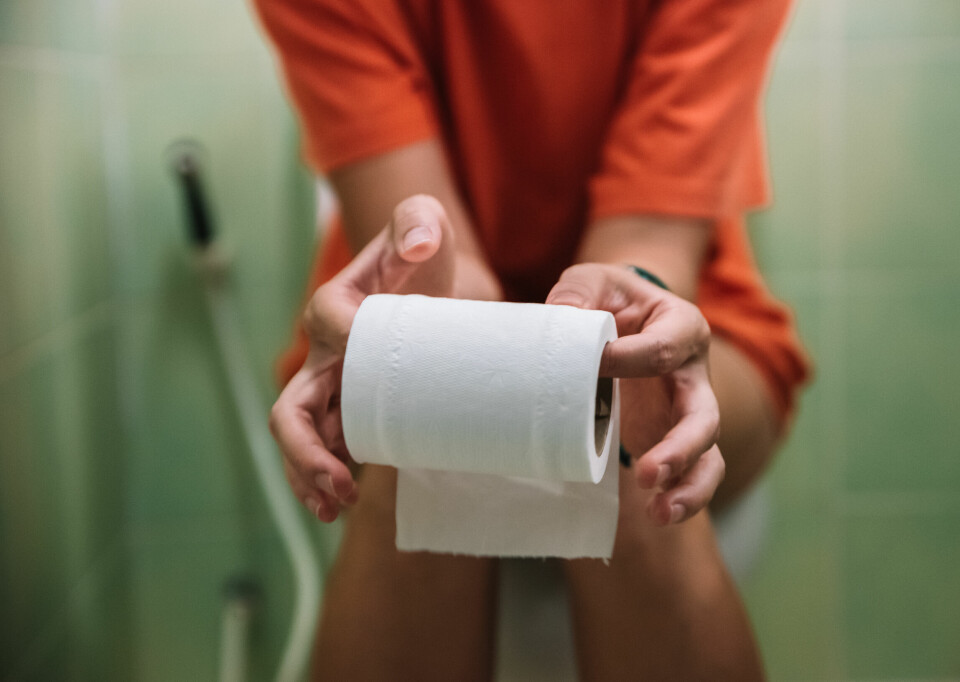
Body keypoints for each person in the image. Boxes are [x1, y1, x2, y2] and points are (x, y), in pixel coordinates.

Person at [255, 0, 810, 679]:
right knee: (429, 409)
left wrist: (604, 339)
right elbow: (430, 263)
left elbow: (642, 256)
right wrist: (446, 336)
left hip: (684, 313)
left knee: (631, 420)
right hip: (423, 296)